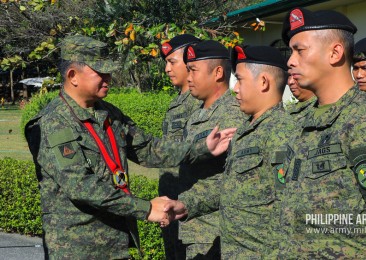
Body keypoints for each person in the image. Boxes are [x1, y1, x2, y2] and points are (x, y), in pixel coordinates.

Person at [24, 35, 235, 259]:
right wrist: (146, 209)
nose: (109, 78)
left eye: (109, 72)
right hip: (77, 247)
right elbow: (81, 187)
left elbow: (149, 149)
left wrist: (201, 148)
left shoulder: (109, 113)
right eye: (101, 73)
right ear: (73, 76)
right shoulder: (52, 123)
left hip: (116, 243)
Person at [278, 7, 366, 258]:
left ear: (335, 52)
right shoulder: (304, 121)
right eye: (290, 51)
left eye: (300, 50)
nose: (290, 60)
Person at [164, 45, 294, 258]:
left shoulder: (282, 131)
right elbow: (231, 188)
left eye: (240, 80)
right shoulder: (248, 129)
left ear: (263, 82)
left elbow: (289, 206)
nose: (235, 89)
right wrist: (187, 205)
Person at [173, 40, 247, 259]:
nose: (188, 78)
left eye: (193, 70)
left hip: (214, 232)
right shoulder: (197, 114)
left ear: (217, 73)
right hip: (191, 227)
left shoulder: (232, 115)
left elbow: (237, 178)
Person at [159, 34, 202, 260]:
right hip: (170, 203)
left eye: (172, 62)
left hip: (190, 206)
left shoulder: (200, 103)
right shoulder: (176, 102)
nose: (167, 69)